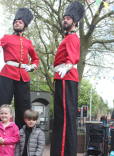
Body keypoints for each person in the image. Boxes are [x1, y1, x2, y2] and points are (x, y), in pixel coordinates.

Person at [0, 8, 39, 156]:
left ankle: (23, 151)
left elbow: (36, 59)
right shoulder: (6, 37)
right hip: (7, 74)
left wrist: (32, 66)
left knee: (24, 112)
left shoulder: (28, 42)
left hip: (23, 77)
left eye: (20, 22)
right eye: (16, 21)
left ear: (25, 26)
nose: (17, 23)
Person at [50, 2, 85, 156]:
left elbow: (71, 57)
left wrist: (68, 66)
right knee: (64, 116)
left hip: (66, 76)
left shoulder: (71, 38)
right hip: (64, 76)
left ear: (75, 22)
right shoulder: (69, 37)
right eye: (64, 18)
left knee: (63, 116)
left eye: (68, 18)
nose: (65, 20)